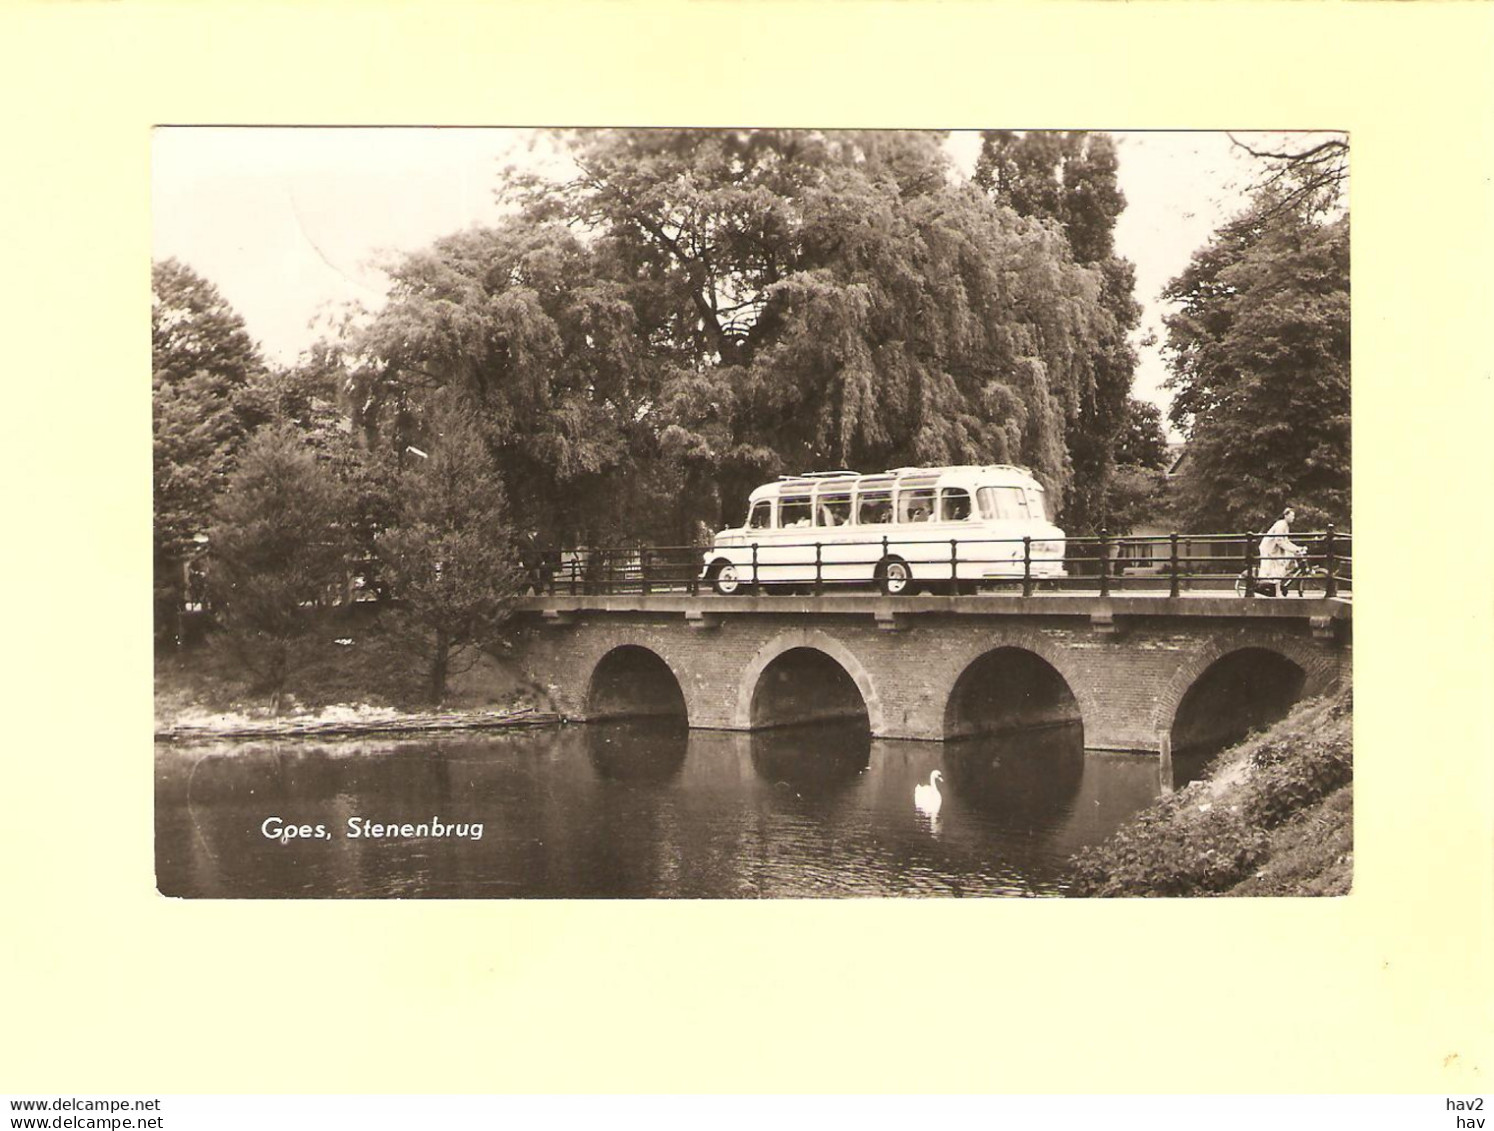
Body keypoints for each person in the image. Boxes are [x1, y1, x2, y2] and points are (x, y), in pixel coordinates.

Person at [1257, 507, 1304, 596]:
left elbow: (1286, 541)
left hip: (1275, 548)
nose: (1293, 518)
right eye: (1292, 516)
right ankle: (1277, 592)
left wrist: (1297, 548)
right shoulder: (1280, 525)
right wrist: (1294, 549)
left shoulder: (1285, 526)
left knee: (1289, 562)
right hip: (1269, 549)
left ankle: (1277, 585)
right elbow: (1279, 541)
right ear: (1286, 515)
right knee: (1278, 568)